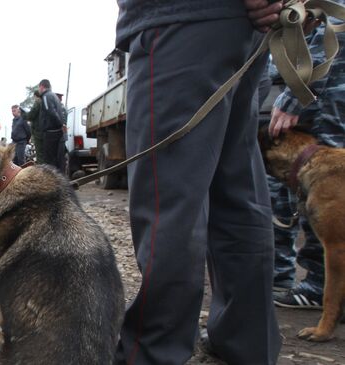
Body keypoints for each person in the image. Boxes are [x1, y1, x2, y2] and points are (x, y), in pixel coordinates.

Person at [112, 1, 283, 364]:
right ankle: (247, 341)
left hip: (180, 21)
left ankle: (152, 353)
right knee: (236, 193)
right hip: (240, 29)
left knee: (171, 202)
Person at [267, 4, 345, 309]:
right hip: (321, 91)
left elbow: (333, 31)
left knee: (321, 197)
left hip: (323, 95)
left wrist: (296, 93)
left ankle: (316, 286)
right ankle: (286, 276)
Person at [37, 79, 65, 172]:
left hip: (50, 133)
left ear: (42, 86)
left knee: (49, 161)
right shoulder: (54, 96)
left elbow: (51, 112)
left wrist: (59, 124)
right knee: (58, 160)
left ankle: (53, 183)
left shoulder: (46, 96)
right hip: (57, 132)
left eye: (39, 88)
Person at [25, 90, 44, 164]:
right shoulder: (44, 103)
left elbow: (31, 116)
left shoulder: (38, 103)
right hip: (42, 133)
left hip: (38, 134)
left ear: (36, 96)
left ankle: (42, 170)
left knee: (39, 155)